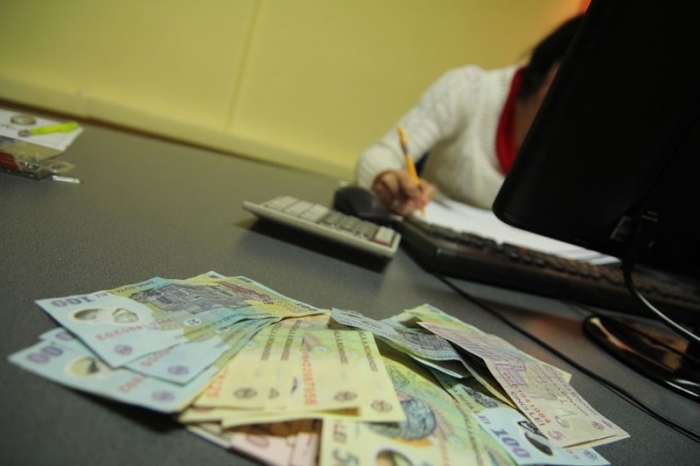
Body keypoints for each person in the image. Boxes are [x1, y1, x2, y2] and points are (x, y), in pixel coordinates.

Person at [355, 15, 584, 217]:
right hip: (432, 239)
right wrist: (386, 179)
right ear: (551, 64)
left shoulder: (581, 139)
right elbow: (376, 157)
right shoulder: (469, 89)